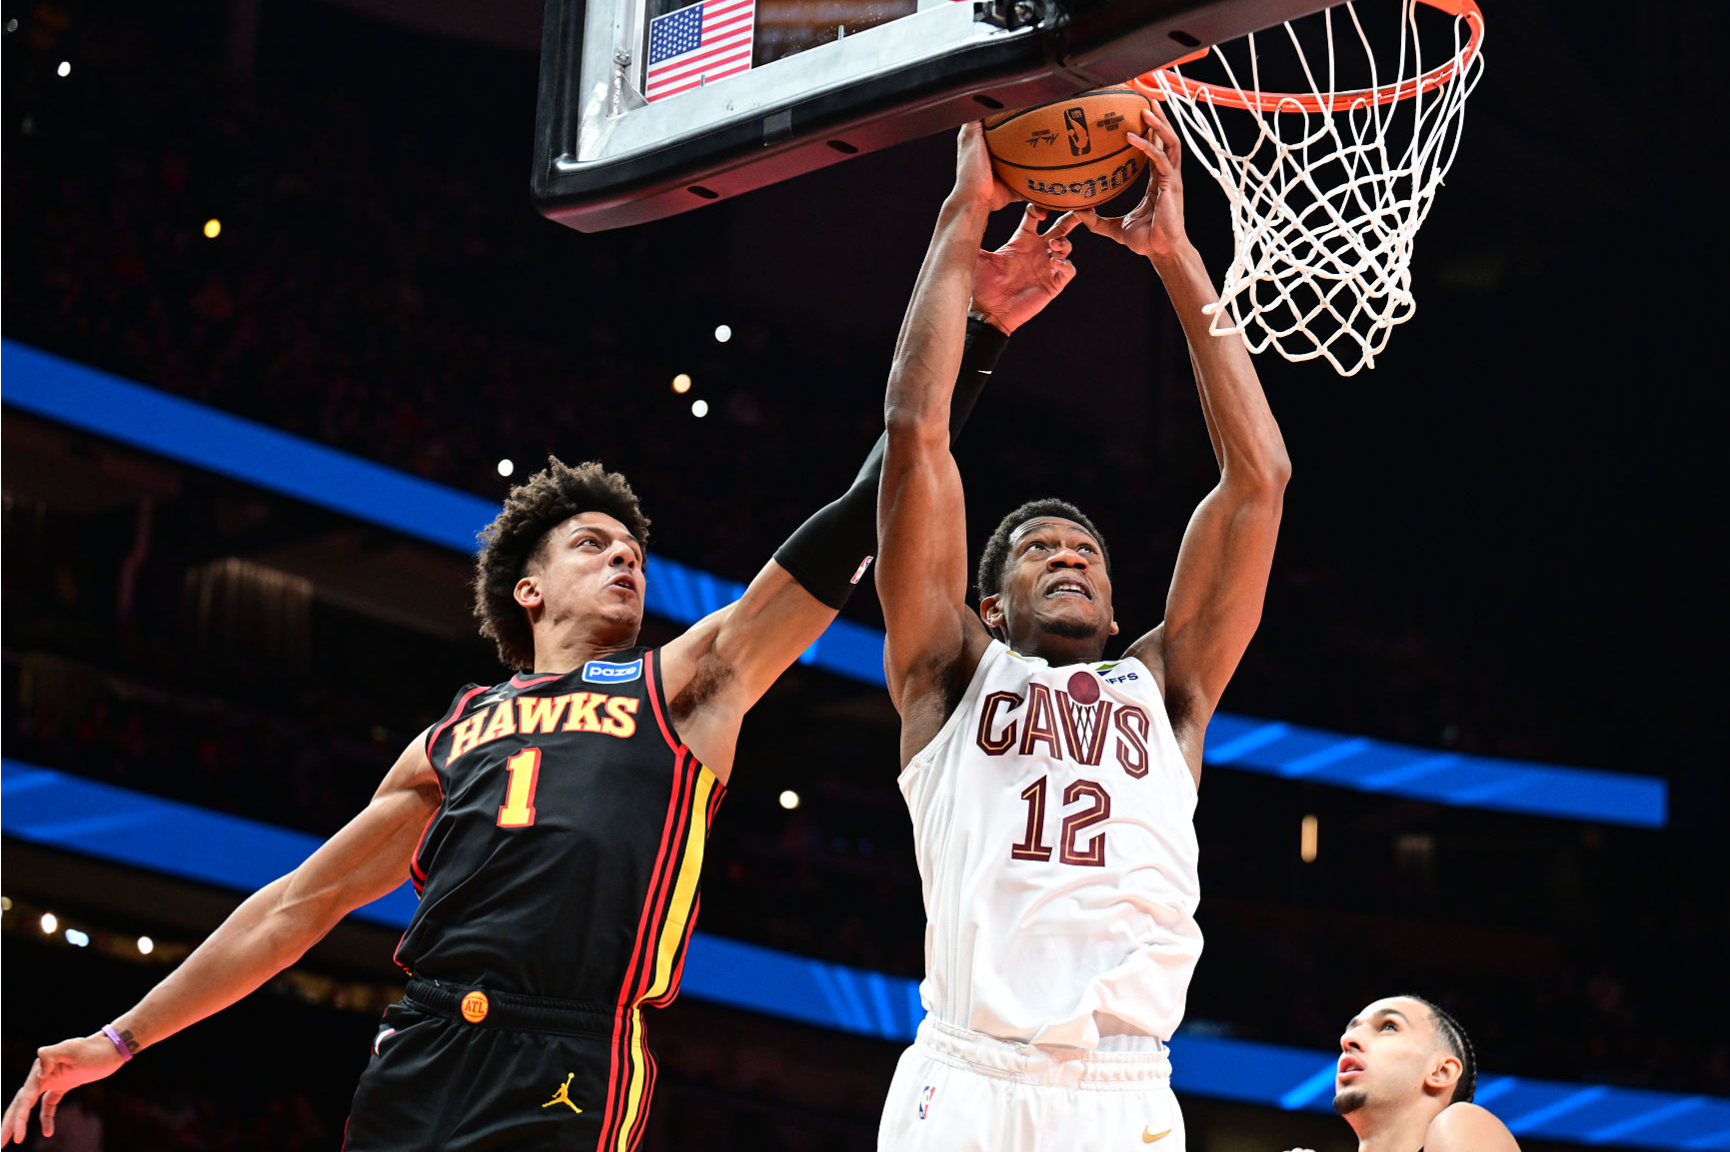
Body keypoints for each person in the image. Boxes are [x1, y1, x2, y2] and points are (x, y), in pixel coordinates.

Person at [0, 211, 1080, 1151]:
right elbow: (295, 906)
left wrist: (977, 333)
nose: (625, 560)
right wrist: (119, 1038)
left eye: (633, 551)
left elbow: (861, 512)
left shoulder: (684, 688)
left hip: (568, 1050)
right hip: (421, 1043)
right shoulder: (453, 736)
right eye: (593, 546)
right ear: (528, 590)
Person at [873, 107, 1290, 1150]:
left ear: (1113, 603)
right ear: (989, 608)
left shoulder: (1167, 688)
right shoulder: (948, 676)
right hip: (969, 1074)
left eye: (1087, 552)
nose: (1069, 556)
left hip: (1123, 1089)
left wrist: (1177, 257)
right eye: (1037, 550)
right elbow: (916, 435)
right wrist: (961, 220)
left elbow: (1259, 479)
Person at [1301, 996, 1519, 1152]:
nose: (1347, 1039)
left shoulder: (1463, 1122)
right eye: (1350, 1030)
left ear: (1442, 1072)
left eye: (1388, 1026)